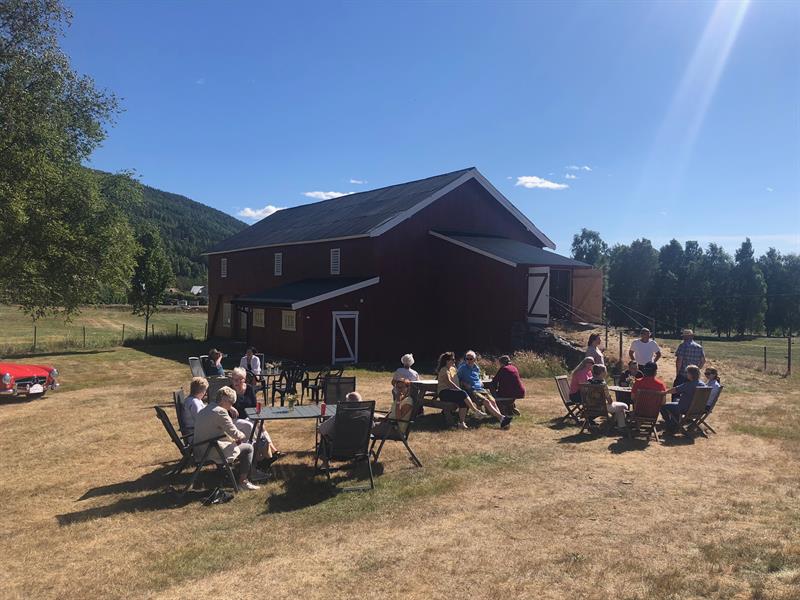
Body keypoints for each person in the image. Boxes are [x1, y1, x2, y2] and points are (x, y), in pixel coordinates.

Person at [192, 386, 260, 491]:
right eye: (231, 403)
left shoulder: (206, 408)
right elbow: (235, 433)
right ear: (224, 400)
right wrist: (243, 435)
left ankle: (226, 474)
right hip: (211, 450)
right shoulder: (220, 411)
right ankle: (243, 482)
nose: (231, 406)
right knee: (249, 448)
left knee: (234, 443)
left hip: (199, 449)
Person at [229, 367, 280, 465]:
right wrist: (230, 407)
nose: (234, 382)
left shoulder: (249, 388)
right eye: (233, 379)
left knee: (260, 426)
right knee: (252, 427)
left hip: (249, 417)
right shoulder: (229, 390)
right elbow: (221, 403)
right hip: (235, 420)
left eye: (237, 379)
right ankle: (265, 456)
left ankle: (268, 455)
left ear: (243, 379)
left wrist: (257, 417)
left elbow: (254, 405)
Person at [457, 350, 512, 429]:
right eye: (467, 359)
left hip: (480, 388)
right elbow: (457, 379)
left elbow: (478, 378)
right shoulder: (462, 368)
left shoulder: (477, 368)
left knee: (492, 400)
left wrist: (480, 381)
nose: (468, 361)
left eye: (471, 359)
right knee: (486, 401)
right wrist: (464, 383)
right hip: (472, 390)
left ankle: (501, 420)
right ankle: (502, 418)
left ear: (475, 360)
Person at [436, 352, 477, 430]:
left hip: (452, 392)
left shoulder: (453, 369)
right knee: (463, 393)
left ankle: (462, 423)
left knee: (463, 402)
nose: (454, 361)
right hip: (444, 393)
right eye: (452, 359)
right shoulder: (443, 369)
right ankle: (475, 410)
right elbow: (449, 383)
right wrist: (459, 390)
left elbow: (458, 379)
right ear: (447, 361)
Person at [660, 364, 703, 433]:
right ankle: (675, 425)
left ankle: (670, 425)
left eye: (687, 373)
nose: (686, 374)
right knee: (675, 404)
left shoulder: (689, 384)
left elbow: (675, 390)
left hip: (685, 408)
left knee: (663, 407)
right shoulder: (703, 384)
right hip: (697, 409)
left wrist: (665, 393)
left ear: (691, 374)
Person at [587, 364, 628, 430]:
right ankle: (620, 426)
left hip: (589, 407)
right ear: (602, 373)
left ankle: (612, 423)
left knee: (619, 407)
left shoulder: (588, 382)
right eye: (605, 371)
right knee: (622, 407)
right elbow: (609, 401)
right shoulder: (602, 384)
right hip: (601, 408)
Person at [181, 376, 208, 441]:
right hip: (196, 437)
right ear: (201, 391)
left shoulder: (194, 400)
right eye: (205, 390)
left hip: (197, 433)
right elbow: (200, 420)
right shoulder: (194, 403)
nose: (205, 393)